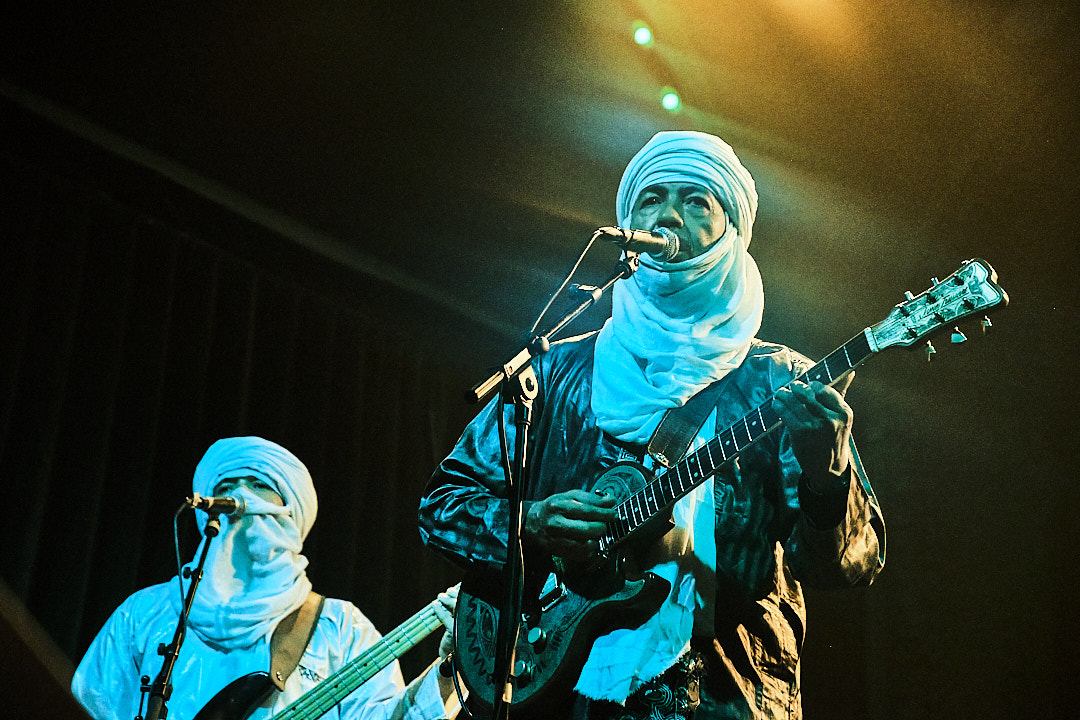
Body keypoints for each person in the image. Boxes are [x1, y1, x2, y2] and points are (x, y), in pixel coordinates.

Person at [417, 130, 885, 719]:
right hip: (555, 695)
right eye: (652, 198)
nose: (668, 215)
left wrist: (827, 475)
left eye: (696, 200)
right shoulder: (555, 370)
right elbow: (442, 507)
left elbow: (847, 568)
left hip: (723, 696)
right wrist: (530, 524)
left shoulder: (777, 382)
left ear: (732, 229)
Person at [72, 436, 463, 720]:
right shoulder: (145, 613)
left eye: (260, 484)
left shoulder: (340, 628)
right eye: (226, 486)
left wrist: (447, 670)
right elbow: (87, 705)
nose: (241, 496)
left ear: (292, 508)